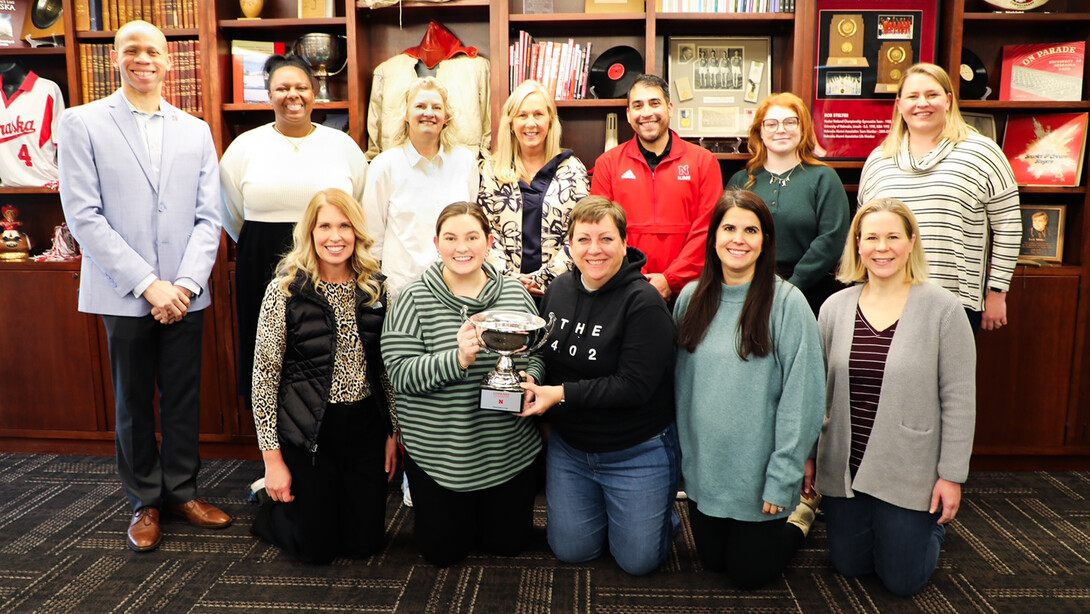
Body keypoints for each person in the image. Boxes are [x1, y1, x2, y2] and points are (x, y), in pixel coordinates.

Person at [58, 20, 229, 552]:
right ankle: (144, 502)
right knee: (132, 400)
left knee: (182, 396)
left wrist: (182, 283)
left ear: (168, 61)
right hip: (123, 289)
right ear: (116, 58)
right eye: (132, 50)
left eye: (153, 50)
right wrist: (148, 285)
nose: (143, 58)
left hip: (185, 291)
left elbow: (210, 216)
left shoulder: (195, 129)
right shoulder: (81, 122)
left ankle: (181, 491)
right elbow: (84, 216)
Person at [816, 198, 976, 596]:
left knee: (903, 582)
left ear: (911, 243)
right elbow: (817, 392)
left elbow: (959, 398)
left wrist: (951, 476)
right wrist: (808, 456)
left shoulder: (943, 308)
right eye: (871, 237)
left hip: (909, 468)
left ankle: (929, 534)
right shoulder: (834, 308)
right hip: (846, 467)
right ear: (857, 245)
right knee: (849, 566)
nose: (881, 247)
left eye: (892, 237)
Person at [673, 188, 825, 589]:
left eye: (751, 230)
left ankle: (802, 516)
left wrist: (784, 477)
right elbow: (681, 391)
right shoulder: (689, 299)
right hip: (706, 474)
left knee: (749, 575)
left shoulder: (788, 304)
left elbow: (804, 399)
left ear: (766, 241)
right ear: (713, 237)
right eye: (729, 228)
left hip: (760, 478)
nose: (738, 239)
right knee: (713, 565)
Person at [521, 196, 679, 576]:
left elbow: (633, 387)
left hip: (636, 450)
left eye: (606, 239)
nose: (595, 250)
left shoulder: (644, 303)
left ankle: (662, 516)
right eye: (584, 239)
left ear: (625, 243)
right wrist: (532, 378)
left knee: (638, 562)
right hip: (572, 449)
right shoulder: (558, 290)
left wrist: (558, 395)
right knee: (571, 550)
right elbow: (547, 355)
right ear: (570, 245)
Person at [381, 202, 543, 567]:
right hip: (441, 456)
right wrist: (456, 361)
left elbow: (536, 353)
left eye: (472, 237)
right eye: (451, 238)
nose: (462, 247)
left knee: (508, 546)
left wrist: (532, 377)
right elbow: (400, 374)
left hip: (507, 454)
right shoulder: (412, 298)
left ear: (489, 242)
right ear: (437, 243)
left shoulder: (515, 295)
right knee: (442, 554)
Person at [249, 189, 396, 563]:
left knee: (365, 546)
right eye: (325, 226)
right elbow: (264, 378)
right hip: (308, 431)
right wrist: (272, 461)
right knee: (315, 550)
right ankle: (269, 505)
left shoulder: (376, 287)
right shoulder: (284, 291)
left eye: (344, 226)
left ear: (357, 232)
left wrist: (394, 433)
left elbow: (386, 370)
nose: (335, 236)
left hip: (364, 428)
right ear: (309, 232)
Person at [220, 54, 367, 406]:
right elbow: (229, 211)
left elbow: (358, 203)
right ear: (268, 95)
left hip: (331, 258)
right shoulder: (244, 147)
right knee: (268, 360)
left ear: (315, 94)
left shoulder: (342, 145)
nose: (293, 95)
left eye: (301, 87)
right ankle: (273, 451)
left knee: (324, 351)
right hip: (262, 258)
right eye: (282, 88)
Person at [858, 63, 1021, 332]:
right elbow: (865, 234)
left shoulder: (983, 153)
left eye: (931, 95)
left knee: (949, 375)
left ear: (947, 100)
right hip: (885, 299)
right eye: (912, 96)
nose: (922, 103)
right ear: (899, 105)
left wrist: (997, 292)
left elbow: (1008, 226)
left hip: (955, 301)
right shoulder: (879, 160)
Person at [590, 74, 722, 302]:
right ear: (628, 114)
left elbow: (708, 231)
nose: (647, 113)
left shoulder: (704, 162)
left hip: (690, 292)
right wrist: (636, 279)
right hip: (623, 290)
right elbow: (601, 232)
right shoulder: (607, 164)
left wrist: (670, 279)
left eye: (654, 103)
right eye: (638, 105)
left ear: (670, 108)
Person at [727, 93, 850, 315]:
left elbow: (831, 240)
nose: (780, 129)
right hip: (747, 289)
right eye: (771, 124)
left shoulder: (824, 178)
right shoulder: (741, 180)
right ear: (760, 132)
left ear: (802, 129)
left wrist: (793, 286)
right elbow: (727, 236)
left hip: (807, 293)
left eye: (790, 122)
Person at [363, 76, 480, 300]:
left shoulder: (465, 161)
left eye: (437, 107)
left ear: (446, 117)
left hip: (457, 289)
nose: (429, 113)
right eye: (420, 106)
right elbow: (372, 240)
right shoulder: (384, 165)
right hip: (402, 292)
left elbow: (470, 223)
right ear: (406, 115)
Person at [478, 79, 590, 298]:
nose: (531, 123)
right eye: (522, 115)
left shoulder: (573, 170)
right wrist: (511, 279)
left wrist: (545, 278)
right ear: (511, 123)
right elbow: (485, 231)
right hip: (504, 291)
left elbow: (581, 233)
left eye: (538, 114)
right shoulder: (493, 169)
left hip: (563, 290)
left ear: (550, 120)